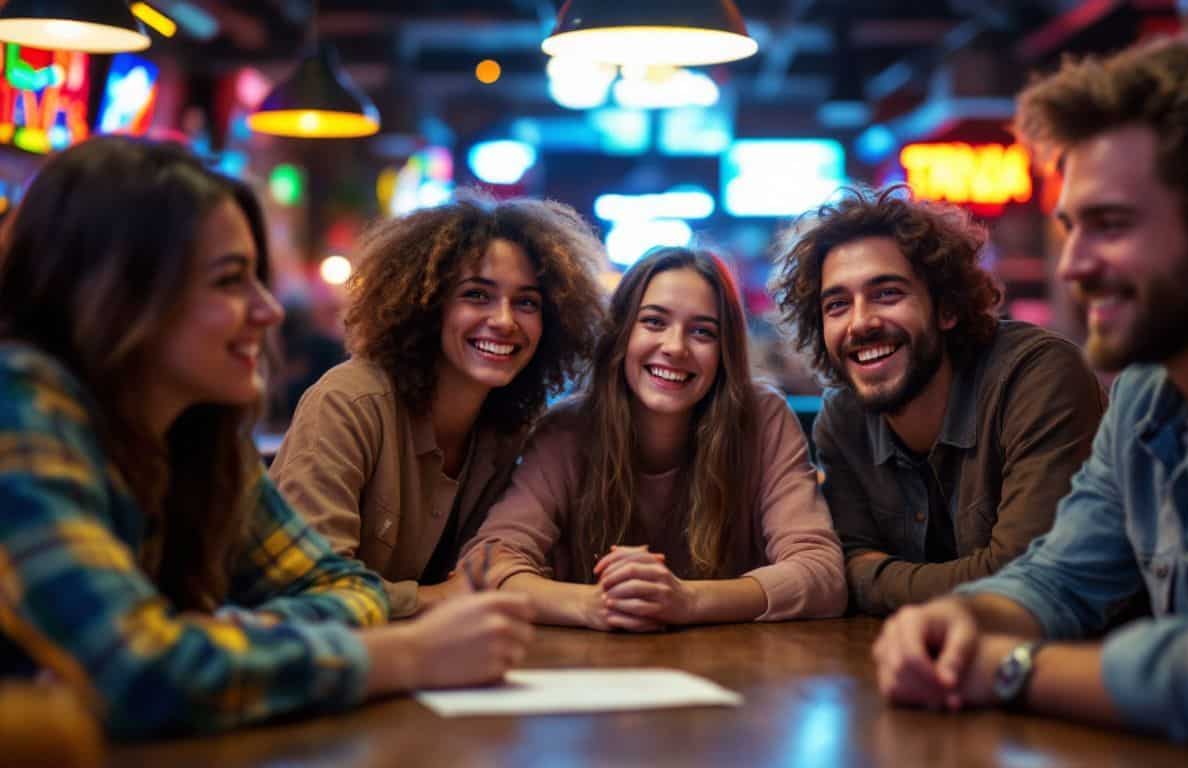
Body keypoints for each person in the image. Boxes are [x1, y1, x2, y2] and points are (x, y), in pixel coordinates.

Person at [871, 36, 1188, 747]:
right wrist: (962, 620)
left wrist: (1006, 667)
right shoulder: (1148, 392)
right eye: (1072, 228)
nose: (1075, 266)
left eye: (1112, 226)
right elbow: (1060, 579)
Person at [0, 137, 534, 738]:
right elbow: (142, 674)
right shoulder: (17, 403)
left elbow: (348, 587)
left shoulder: (198, 431)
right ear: (118, 294)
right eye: (231, 281)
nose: (269, 310)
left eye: (258, 279)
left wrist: (213, 641)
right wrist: (407, 656)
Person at [458, 247, 846, 630]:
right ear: (621, 334)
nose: (675, 347)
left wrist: (688, 600)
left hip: (735, 676)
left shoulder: (763, 418)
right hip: (591, 673)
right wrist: (594, 605)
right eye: (654, 323)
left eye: (702, 332)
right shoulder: (567, 430)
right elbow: (488, 560)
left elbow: (822, 575)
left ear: (724, 350)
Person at [773, 186, 1105, 615]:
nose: (861, 322)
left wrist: (871, 577)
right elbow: (842, 566)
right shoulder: (844, 419)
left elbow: (1029, 580)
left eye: (887, 294)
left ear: (946, 307)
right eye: (837, 305)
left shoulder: (1037, 377)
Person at [270, 196, 606, 618]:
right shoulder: (349, 403)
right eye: (477, 295)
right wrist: (438, 597)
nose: (504, 320)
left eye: (527, 302)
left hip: (444, 665)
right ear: (426, 305)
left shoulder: (510, 429)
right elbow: (308, 590)